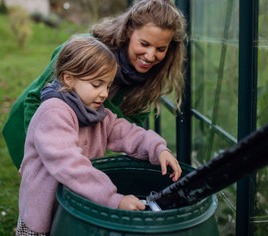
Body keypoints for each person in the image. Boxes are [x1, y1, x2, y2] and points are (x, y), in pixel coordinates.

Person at [16, 36, 182, 235]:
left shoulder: (95, 113)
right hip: (43, 211)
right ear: (68, 79)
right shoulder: (54, 113)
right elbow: (69, 164)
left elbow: (126, 132)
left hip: (72, 208)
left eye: (108, 86)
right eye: (96, 85)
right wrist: (114, 199)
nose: (104, 93)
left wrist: (158, 149)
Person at [3, 0, 186, 169]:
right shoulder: (84, 50)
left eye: (161, 49)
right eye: (144, 44)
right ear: (129, 29)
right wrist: (34, 156)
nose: (150, 56)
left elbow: (130, 127)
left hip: (74, 141)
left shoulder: (152, 79)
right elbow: (36, 98)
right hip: (30, 128)